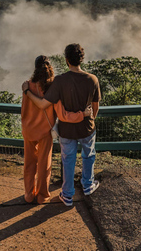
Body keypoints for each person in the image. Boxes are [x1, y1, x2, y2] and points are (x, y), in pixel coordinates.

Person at [22, 44, 101, 207]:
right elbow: (95, 107)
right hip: (74, 128)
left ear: (66, 60)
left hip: (49, 130)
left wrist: (27, 92)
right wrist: (88, 118)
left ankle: (53, 195)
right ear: (81, 59)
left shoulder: (53, 82)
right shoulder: (90, 79)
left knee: (64, 161)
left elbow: (37, 106)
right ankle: (85, 186)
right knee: (86, 157)